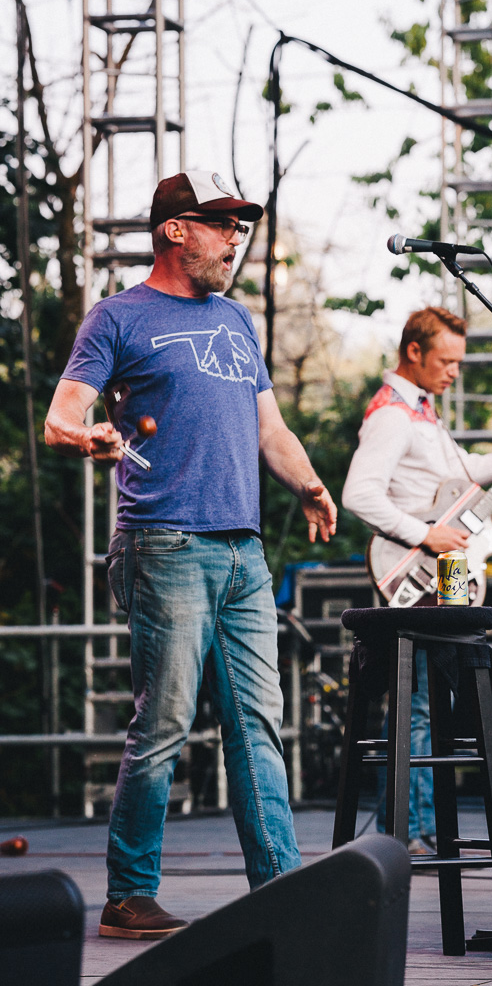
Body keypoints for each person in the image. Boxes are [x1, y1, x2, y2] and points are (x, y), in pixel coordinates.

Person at [45, 170, 337, 940]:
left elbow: (269, 429)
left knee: (257, 727)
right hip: (164, 544)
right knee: (165, 722)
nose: (235, 239)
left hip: (243, 550)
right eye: (221, 225)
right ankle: (127, 896)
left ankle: (280, 889)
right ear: (176, 230)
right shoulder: (117, 317)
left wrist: (308, 485)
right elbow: (61, 415)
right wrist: (89, 436)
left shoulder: (237, 321)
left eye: (240, 227)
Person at [342, 306, 492, 854]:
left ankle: (413, 828)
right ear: (414, 352)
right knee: (417, 702)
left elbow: (467, 473)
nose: (455, 371)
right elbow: (358, 494)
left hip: (433, 572)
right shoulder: (392, 416)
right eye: (447, 360)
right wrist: (425, 536)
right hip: (414, 570)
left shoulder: (423, 413)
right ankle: (408, 832)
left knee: (426, 700)